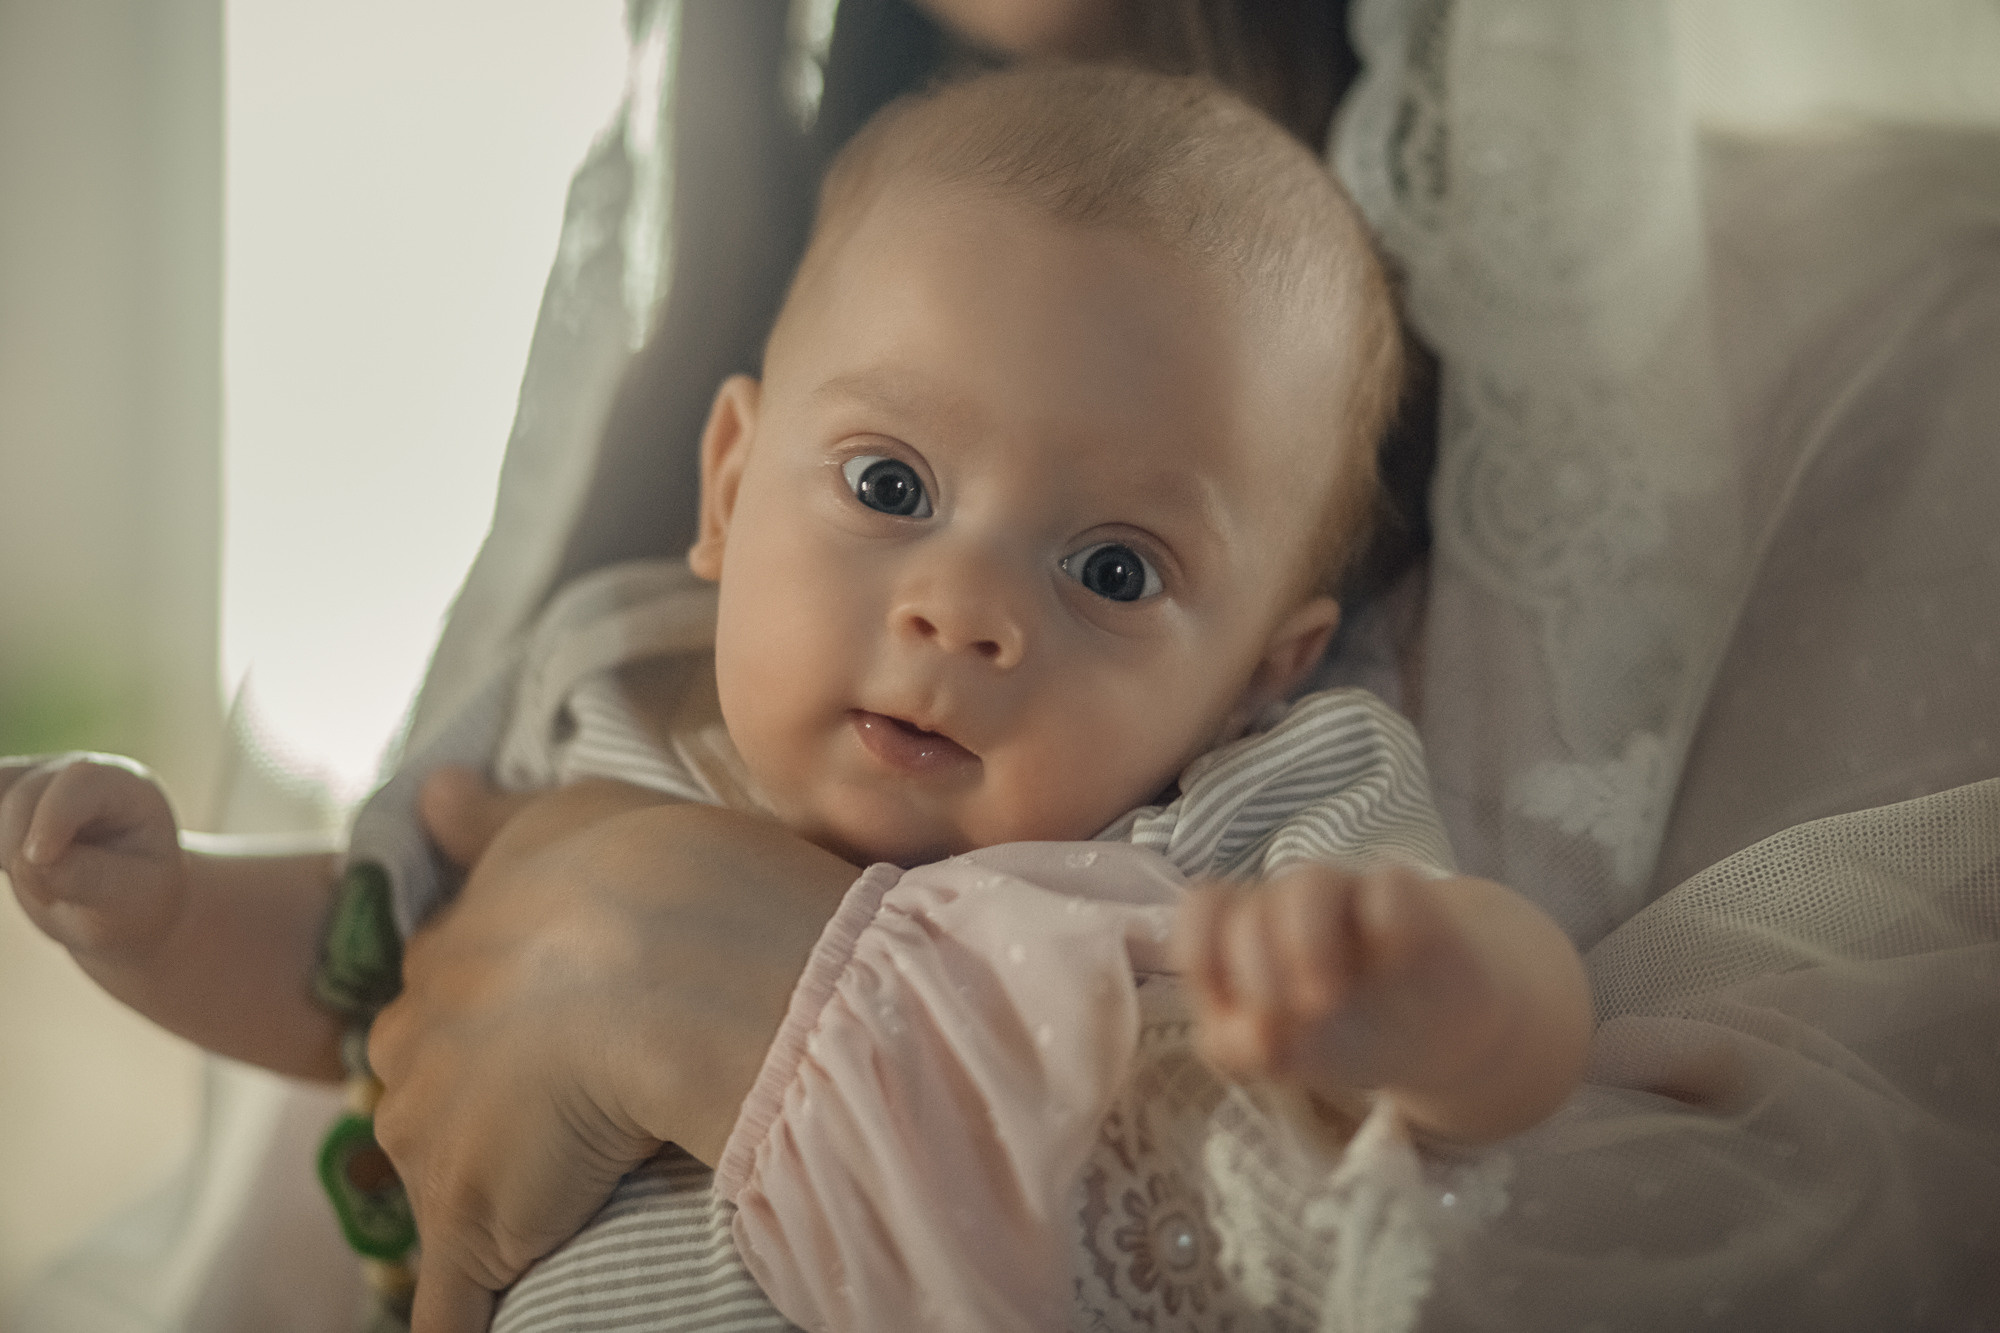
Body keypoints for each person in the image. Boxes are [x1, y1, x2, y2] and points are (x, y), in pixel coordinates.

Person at [0, 63, 1591, 1333]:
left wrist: (1443, 1005)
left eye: (1113, 571)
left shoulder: (1246, 806)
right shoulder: (602, 682)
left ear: (1264, 667)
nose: (959, 608)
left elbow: (1516, 1065)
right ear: (731, 478)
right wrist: (158, 909)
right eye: (890, 480)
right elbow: (368, 977)